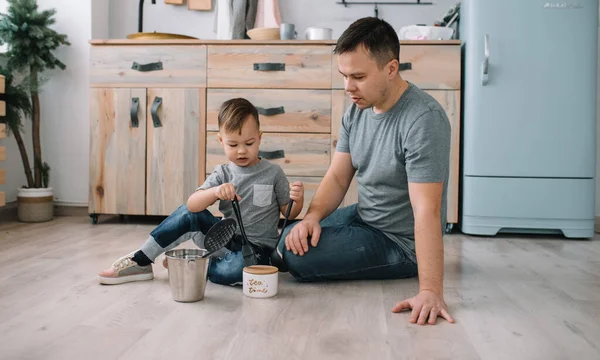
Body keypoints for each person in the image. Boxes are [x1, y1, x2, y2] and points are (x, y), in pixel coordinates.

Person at [277, 17, 454, 326]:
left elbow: (426, 209)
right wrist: (311, 218)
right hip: (365, 216)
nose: (348, 87)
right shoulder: (356, 111)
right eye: (344, 76)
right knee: (288, 239)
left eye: (358, 76)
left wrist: (430, 290)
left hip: (399, 242)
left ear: (391, 68)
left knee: (295, 258)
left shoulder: (423, 120)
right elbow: (337, 177)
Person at [98, 98, 304, 286]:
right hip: (225, 239)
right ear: (221, 141)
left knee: (237, 269)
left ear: (259, 138)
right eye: (233, 144)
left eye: (249, 144)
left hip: (257, 251)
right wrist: (215, 192)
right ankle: (141, 259)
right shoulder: (222, 172)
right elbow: (192, 205)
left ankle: (193, 264)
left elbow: (289, 213)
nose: (241, 150)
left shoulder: (273, 173)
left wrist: (298, 201)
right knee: (189, 215)